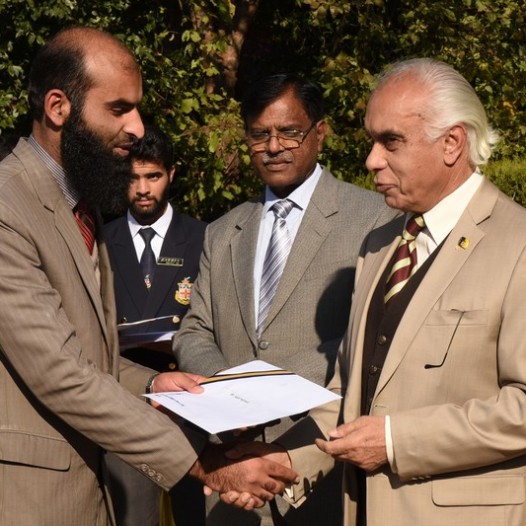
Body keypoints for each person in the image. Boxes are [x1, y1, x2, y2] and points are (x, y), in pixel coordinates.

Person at [0, 26, 297, 526]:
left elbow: (91, 358)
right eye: (119, 109)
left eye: (136, 109)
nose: (137, 128)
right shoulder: (8, 207)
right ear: (58, 107)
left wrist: (157, 382)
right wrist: (203, 464)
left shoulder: (81, 206)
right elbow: (60, 375)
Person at [222, 57, 526, 526]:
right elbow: (349, 391)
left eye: (391, 142)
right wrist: (284, 460)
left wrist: (396, 441)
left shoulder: (517, 243)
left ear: (452, 143)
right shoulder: (381, 245)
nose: (371, 160)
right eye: (372, 141)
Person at [173, 72, 396, 525]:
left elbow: (376, 343)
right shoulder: (222, 231)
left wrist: (273, 395)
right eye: (260, 134)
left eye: (289, 132)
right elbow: (194, 329)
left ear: (320, 132)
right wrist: (230, 391)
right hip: (233, 476)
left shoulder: (376, 219)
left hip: (323, 468)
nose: (273, 147)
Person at [103, 124, 207, 526]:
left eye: (153, 176)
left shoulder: (205, 237)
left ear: (171, 174)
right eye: (133, 178)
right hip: (125, 407)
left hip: (189, 409)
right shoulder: (99, 240)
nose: (143, 189)